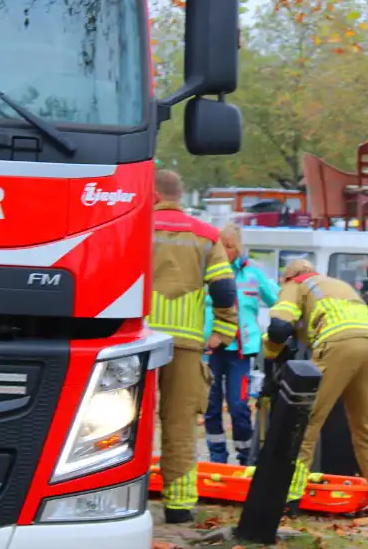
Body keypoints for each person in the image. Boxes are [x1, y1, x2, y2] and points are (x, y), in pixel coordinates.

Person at [265, 258, 368, 521]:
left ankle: (288, 497)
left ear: (287, 277)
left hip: (338, 342)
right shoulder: (336, 284)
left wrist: (270, 352)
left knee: (306, 421)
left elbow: (279, 327)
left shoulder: (294, 284)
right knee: (367, 425)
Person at [147, 170, 239, 524]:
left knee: (123, 423)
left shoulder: (136, 226)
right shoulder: (206, 235)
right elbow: (224, 290)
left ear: (153, 195)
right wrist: (223, 332)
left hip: (134, 342)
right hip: (184, 345)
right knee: (181, 424)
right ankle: (179, 505)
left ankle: (123, 493)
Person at [202, 223, 281, 466]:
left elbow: (277, 299)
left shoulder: (252, 273)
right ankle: (217, 457)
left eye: (230, 246)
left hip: (240, 351)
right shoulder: (204, 273)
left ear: (238, 247)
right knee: (211, 405)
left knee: (238, 406)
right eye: (222, 246)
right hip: (211, 349)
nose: (226, 252)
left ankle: (246, 457)